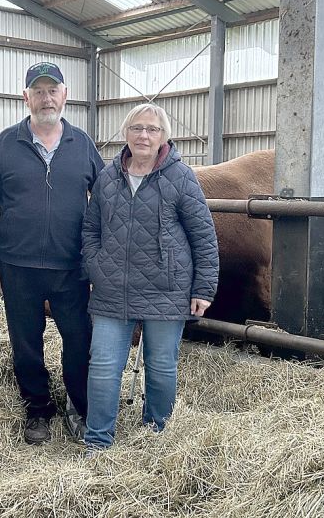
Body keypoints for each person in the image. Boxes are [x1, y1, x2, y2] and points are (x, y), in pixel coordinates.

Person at [0, 62, 105, 444]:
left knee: (78, 340)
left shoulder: (82, 144)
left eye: (53, 90)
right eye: (38, 90)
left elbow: (102, 201)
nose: (46, 97)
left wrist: (97, 261)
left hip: (71, 267)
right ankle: (37, 409)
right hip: (19, 266)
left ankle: (78, 406)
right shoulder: (6, 142)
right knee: (25, 342)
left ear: (65, 96)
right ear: (26, 97)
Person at [81, 102, 219, 451]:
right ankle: (97, 442)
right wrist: (96, 267)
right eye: (137, 128)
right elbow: (90, 228)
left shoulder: (180, 176)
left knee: (160, 366)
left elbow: (203, 234)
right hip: (113, 288)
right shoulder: (108, 177)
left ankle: (156, 436)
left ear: (163, 138)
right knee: (103, 366)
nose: (144, 135)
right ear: (125, 134)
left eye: (153, 129)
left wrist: (203, 287)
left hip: (166, 287)